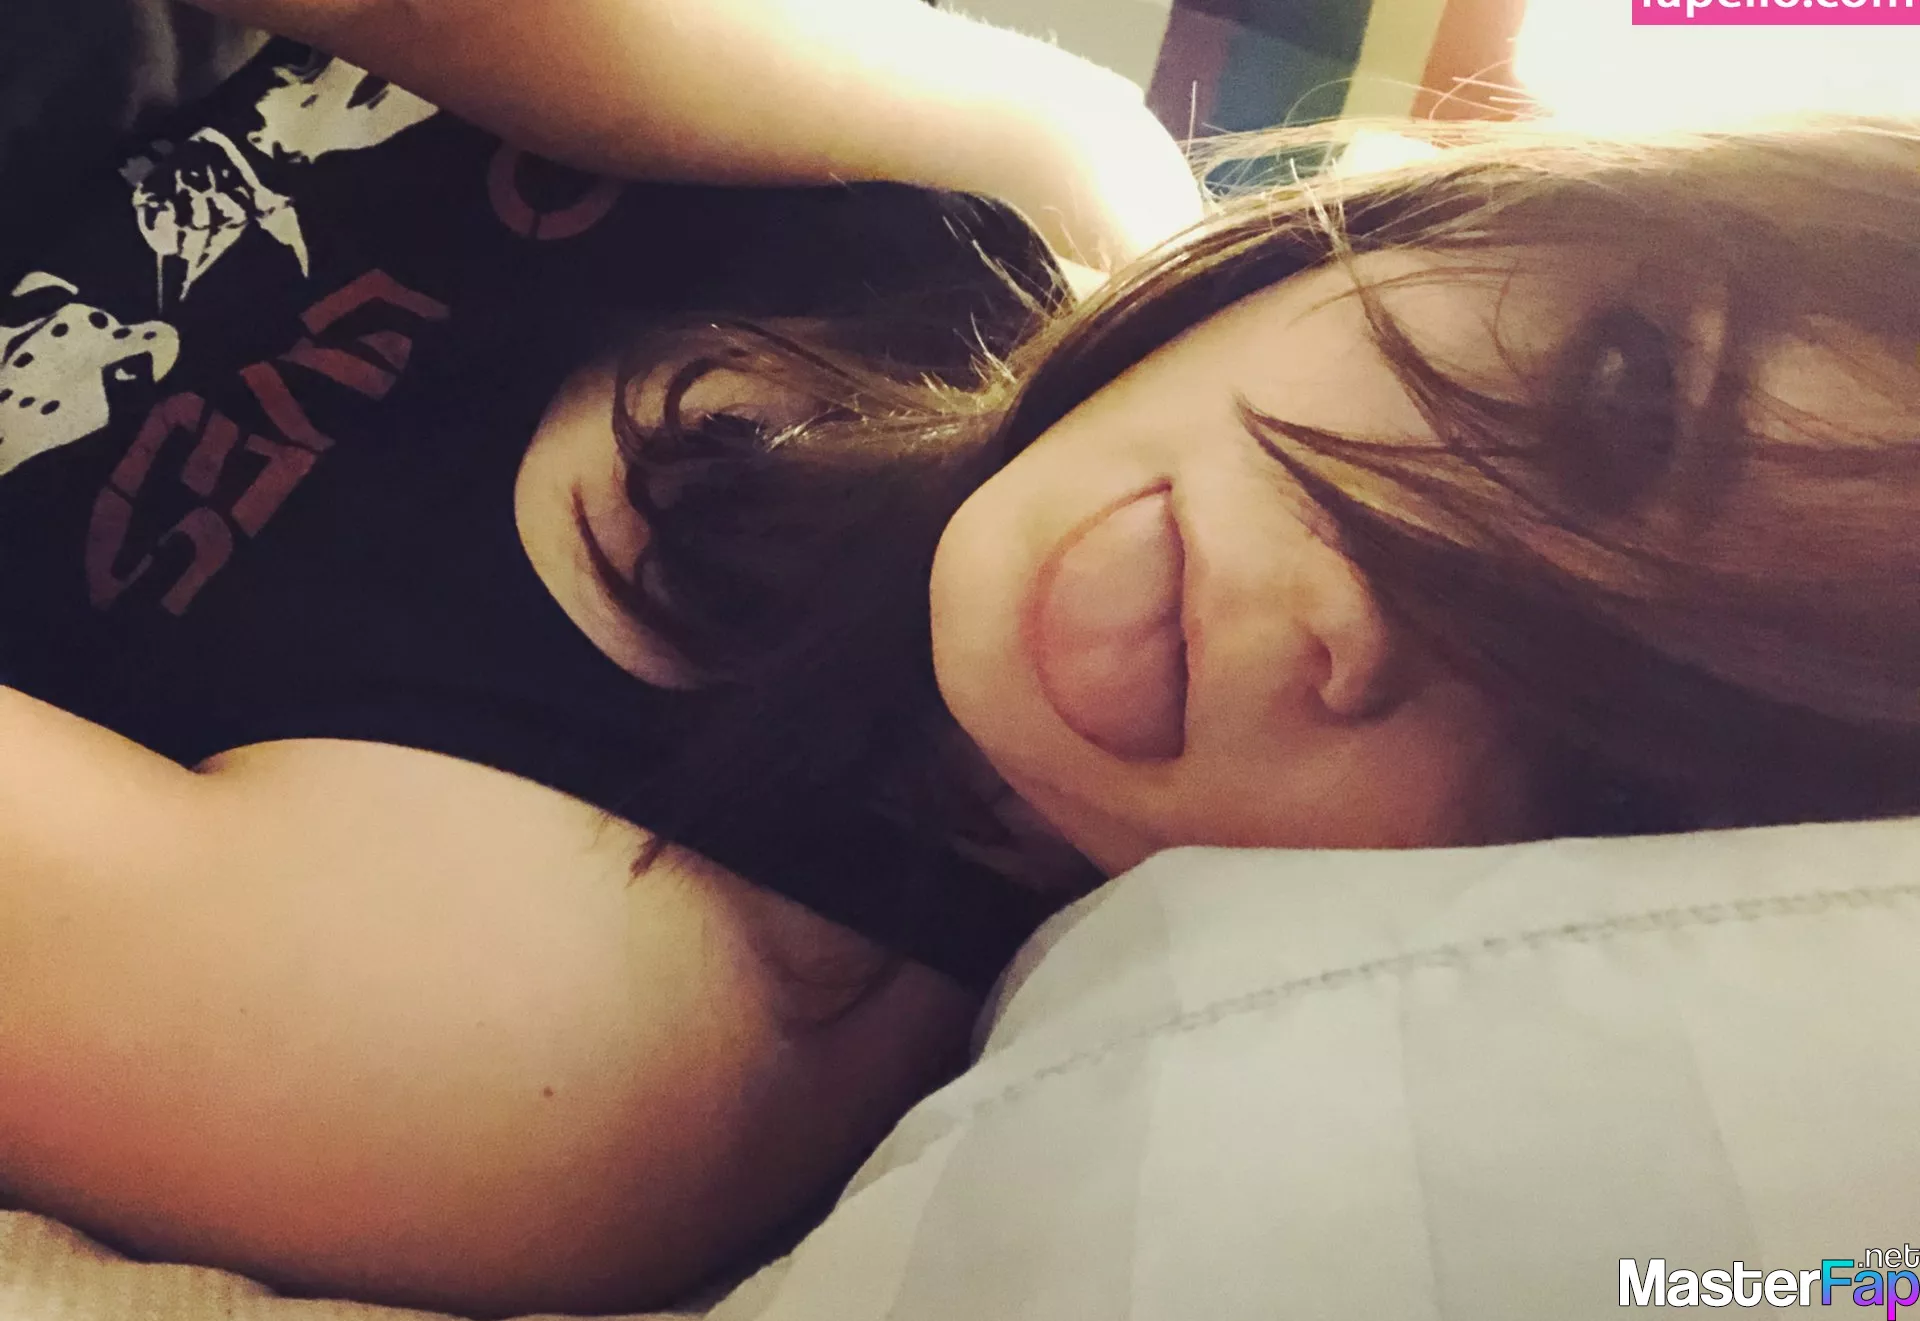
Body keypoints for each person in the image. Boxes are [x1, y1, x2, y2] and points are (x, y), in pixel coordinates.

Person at [1, 1, 1917, 1315]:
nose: (1374, 607)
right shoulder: (1035, 182)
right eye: (1622, 391)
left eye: (1607, 769)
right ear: (1508, 205)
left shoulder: (570, 1044)